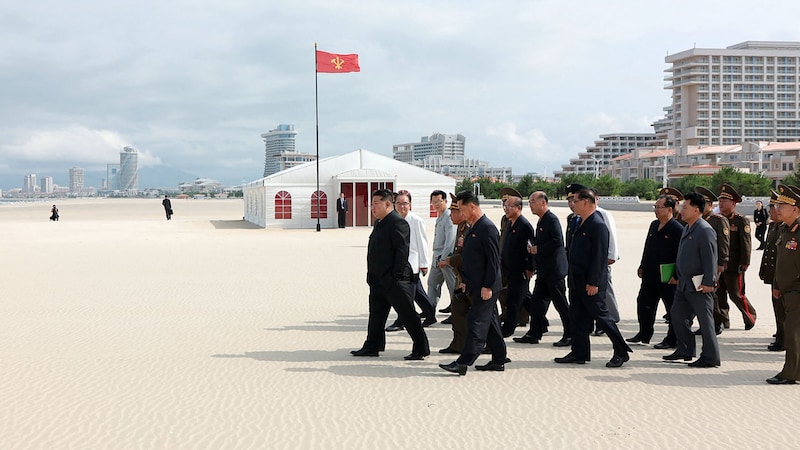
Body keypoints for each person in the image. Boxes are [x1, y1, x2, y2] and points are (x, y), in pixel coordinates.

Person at [555, 188, 632, 368]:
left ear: (586, 202)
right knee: (578, 317)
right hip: (577, 279)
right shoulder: (579, 222)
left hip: (590, 282)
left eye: (576, 200)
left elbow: (599, 257)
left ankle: (621, 350)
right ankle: (579, 352)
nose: (572, 204)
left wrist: (593, 282)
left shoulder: (598, 224)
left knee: (603, 318)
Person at [350, 189, 430, 360]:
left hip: (395, 281)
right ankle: (373, 345)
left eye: (376, 204)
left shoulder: (397, 222)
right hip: (378, 280)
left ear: (387, 204)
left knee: (408, 315)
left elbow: (402, 253)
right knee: (376, 315)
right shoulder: (380, 222)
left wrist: (393, 277)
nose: (372, 208)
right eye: (372, 204)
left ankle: (421, 348)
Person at [439, 190, 507, 375]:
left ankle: (463, 362)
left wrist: (488, 286)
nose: (460, 212)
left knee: (476, 323)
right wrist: (465, 282)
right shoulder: (472, 227)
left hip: (486, 287)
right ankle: (499, 359)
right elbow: (470, 259)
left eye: (461, 208)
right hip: (475, 284)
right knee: (491, 323)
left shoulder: (487, 228)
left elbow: (494, 261)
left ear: (471, 206)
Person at [663, 192, 721, 368]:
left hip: (700, 285)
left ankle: (711, 357)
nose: (682, 209)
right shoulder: (688, 227)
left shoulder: (704, 230)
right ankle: (685, 349)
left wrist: (709, 283)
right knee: (677, 315)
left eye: (685, 207)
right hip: (684, 283)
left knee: (705, 322)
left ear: (696, 210)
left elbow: (710, 258)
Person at [516, 191, 570, 347]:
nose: (530, 205)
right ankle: (534, 333)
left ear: (543, 203)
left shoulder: (551, 220)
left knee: (561, 305)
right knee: (537, 304)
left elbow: (557, 242)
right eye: (529, 201)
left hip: (554, 271)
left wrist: (537, 249)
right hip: (544, 272)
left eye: (533, 201)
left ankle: (570, 333)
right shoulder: (542, 220)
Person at [628, 195, 683, 346]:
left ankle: (672, 339)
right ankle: (644, 334)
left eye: (659, 207)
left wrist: (676, 275)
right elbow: (648, 248)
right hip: (650, 274)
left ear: (670, 209)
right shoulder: (654, 225)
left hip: (667, 276)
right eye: (655, 207)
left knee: (672, 309)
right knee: (644, 304)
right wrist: (642, 265)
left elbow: (681, 254)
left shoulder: (677, 229)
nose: (656, 210)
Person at [385, 190, 436, 331]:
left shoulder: (416, 220)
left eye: (405, 203)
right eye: (399, 203)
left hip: (412, 264)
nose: (402, 206)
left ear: (410, 205)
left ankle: (401, 321)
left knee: (405, 296)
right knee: (417, 293)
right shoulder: (393, 219)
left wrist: (424, 264)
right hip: (399, 263)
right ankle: (430, 313)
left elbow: (422, 243)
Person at [766, 184, 800, 384]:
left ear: (795, 209)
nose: (777, 209)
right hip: (786, 289)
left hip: (797, 290)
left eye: (782, 205)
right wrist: (777, 285)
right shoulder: (785, 229)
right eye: (777, 205)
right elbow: (782, 261)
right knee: (791, 332)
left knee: (793, 335)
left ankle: (790, 374)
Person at [716, 184, 756, 330]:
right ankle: (723, 320)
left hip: (734, 265)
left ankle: (750, 317)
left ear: (733, 203)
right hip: (719, 265)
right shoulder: (718, 219)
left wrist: (744, 263)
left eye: (724, 201)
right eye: (720, 201)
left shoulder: (740, 220)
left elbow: (746, 243)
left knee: (736, 294)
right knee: (719, 295)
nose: (721, 204)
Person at [693, 186, 730, 337]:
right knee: (701, 295)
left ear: (709, 205)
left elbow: (724, 244)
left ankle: (717, 322)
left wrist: (721, 263)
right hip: (699, 264)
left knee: (711, 295)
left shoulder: (719, 220)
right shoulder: (698, 220)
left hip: (714, 265)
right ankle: (705, 324)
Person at [438, 194, 471, 354]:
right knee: (458, 314)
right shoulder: (461, 227)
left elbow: (468, 255)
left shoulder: (470, 228)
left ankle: (495, 349)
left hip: (470, 280)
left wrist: (449, 261)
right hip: (461, 278)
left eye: (453, 212)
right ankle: (458, 345)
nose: (450, 215)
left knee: (485, 318)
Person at [499, 195, 534, 337]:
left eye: (510, 206)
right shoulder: (510, 223)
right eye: (505, 206)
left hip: (520, 270)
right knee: (525, 298)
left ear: (519, 208)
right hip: (509, 268)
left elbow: (530, 249)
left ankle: (508, 329)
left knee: (513, 300)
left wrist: (530, 268)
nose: (506, 209)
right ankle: (541, 323)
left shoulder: (524, 225)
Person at [759, 191, 784, 352]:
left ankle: (783, 338)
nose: (772, 211)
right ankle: (780, 332)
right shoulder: (774, 226)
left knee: (782, 308)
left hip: (782, 275)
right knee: (777, 306)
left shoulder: (786, 228)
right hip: (774, 273)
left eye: (774, 207)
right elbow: (768, 250)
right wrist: (763, 269)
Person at [427, 190, 457, 315]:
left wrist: (445, 258)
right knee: (432, 283)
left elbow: (450, 240)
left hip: (445, 258)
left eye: (439, 201)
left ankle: (455, 311)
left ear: (445, 201)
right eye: (434, 202)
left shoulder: (449, 216)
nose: (436, 204)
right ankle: (429, 309)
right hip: (437, 256)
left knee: (452, 286)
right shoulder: (440, 216)